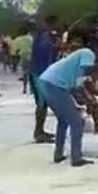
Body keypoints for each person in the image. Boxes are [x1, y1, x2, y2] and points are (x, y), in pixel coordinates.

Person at [39, 35, 98, 167]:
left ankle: (58, 154)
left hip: (47, 82)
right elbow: (88, 70)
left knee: (63, 121)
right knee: (76, 121)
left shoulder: (81, 59)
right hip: (55, 84)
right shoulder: (87, 53)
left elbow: (85, 88)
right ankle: (76, 158)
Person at [29, 15, 58, 143]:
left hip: (41, 73)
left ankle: (40, 131)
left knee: (44, 104)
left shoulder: (42, 37)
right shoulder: (44, 38)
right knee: (41, 104)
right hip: (39, 74)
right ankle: (38, 132)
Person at [13, 25, 33, 94]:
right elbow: (33, 47)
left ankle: (24, 88)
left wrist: (16, 57)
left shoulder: (17, 39)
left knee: (24, 73)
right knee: (31, 73)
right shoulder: (30, 38)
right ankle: (31, 88)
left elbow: (16, 50)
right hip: (30, 56)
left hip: (23, 56)